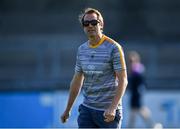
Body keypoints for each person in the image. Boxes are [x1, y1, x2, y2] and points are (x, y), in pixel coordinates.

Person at [60, 7, 128, 128]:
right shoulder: (81, 50)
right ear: (83, 27)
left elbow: (123, 80)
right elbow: (77, 81)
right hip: (87, 110)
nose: (90, 26)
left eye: (93, 22)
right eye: (86, 23)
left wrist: (112, 108)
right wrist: (68, 109)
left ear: (101, 24)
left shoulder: (114, 48)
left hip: (108, 113)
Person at [127, 51, 154, 128]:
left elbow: (141, 80)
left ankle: (152, 125)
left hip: (137, 93)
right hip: (134, 92)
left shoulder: (138, 67)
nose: (131, 61)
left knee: (139, 109)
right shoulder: (133, 67)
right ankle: (152, 125)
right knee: (136, 110)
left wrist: (139, 90)